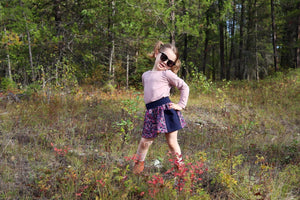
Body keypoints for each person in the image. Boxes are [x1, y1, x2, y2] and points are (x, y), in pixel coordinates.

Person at [133, 41, 189, 174]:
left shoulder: (167, 74)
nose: (165, 63)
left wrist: (181, 105)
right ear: (157, 53)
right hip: (152, 112)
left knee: (172, 143)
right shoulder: (145, 75)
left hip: (166, 111)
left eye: (170, 62)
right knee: (144, 142)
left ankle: (180, 170)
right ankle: (137, 169)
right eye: (164, 57)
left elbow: (184, 87)